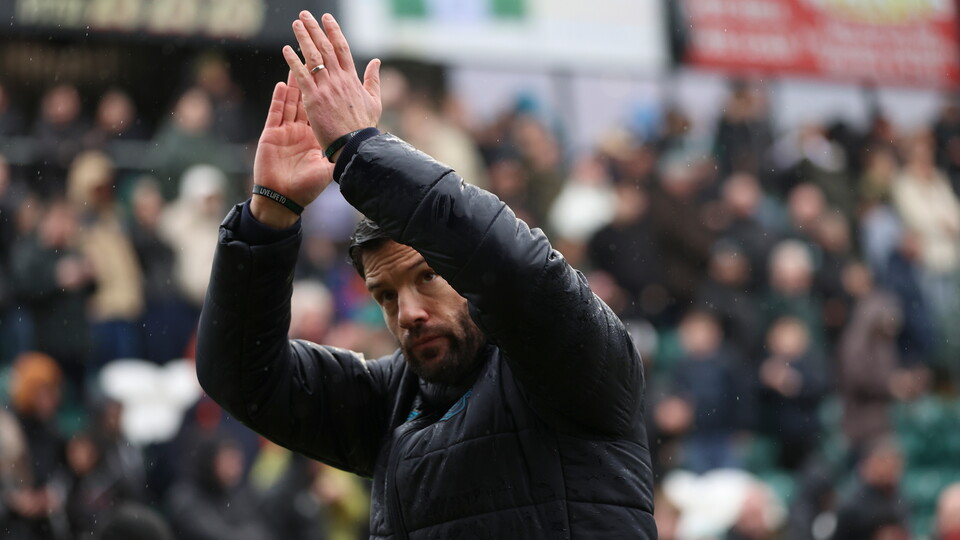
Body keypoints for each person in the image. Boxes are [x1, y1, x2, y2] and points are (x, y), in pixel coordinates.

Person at [195, 10, 655, 539]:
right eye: (385, 296)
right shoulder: (390, 402)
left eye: (428, 277)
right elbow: (240, 376)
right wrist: (269, 215)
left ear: (464, 266)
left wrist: (359, 150)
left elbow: (517, 270)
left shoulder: (574, 362)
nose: (408, 312)